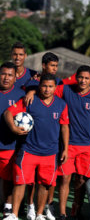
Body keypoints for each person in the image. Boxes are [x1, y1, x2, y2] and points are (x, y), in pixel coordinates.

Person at [3, 74, 69, 220]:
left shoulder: (61, 104)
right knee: (20, 182)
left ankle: (39, 214)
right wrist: (14, 128)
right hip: (28, 150)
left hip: (50, 153)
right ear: (39, 86)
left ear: (55, 87)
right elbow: (8, 112)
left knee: (44, 185)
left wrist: (65, 148)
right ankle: (13, 214)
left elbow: (64, 127)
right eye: (44, 86)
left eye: (50, 86)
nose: (47, 89)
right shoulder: (29, 100)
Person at [55, 65, 90, 219]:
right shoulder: (66, 90)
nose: (83, 81)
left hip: (86, 147)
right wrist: (32, 90)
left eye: (86, 78)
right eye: (80, 77)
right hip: (68, 145)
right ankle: (63, 213)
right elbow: (49, 90)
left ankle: (76, 209)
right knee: (65, 178)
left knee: (81, 179)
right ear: (76, 77)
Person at [25, 52, 62, 220]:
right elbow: (31, 91)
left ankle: (47, 207)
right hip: (33, 139)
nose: (55, 69)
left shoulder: (60, 82)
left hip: (54, 137)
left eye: (56, 66)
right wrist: (32, 91)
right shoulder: (32, 83)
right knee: (32, 179)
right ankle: (31, 205)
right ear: (44, 65)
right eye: (52, 66)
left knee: (50, 180)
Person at [0, 62, 25, 218]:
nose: (6, 78)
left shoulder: (21, 95)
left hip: (9, 145)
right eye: (3, 74)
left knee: (7, 178)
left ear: (16, 77)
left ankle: (8, 206)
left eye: (10, 75)